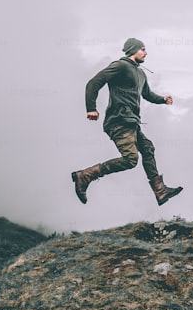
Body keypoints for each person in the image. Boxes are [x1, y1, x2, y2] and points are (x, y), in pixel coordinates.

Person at [71, 37, 183, 206]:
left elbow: (147, 94)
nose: (146, 52)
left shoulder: (141, 73)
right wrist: (91, 108)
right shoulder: (120, 66)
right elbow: (94, 83)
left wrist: (163, 99)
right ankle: (85, 175)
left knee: (147, 148)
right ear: (133, 50)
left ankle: (160, 191)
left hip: (132, 122)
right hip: (118, 120)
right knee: (131, 159)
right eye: (143, 49)